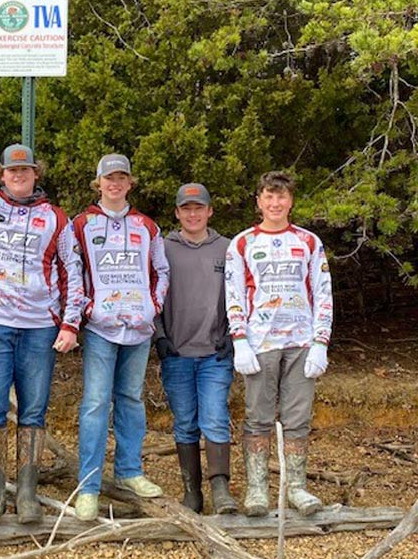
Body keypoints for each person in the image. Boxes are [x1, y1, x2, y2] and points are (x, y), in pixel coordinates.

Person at [0, 143, 85, 525]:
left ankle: (28, 491)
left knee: (34, 409)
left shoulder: (56, 217)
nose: (19, 176)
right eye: (12, 171)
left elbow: (72, 267)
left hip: (39, 325)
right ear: (1, 174)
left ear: (36, 175)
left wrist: (70, 322)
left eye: (26, 171)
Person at [225, 171, 333, 517]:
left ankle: (296, 487)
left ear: (291, 201)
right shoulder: (242, 244)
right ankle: (257, 489)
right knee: (257, 418)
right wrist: (239, 340)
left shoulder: (309, 242)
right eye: (269, 197)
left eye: (282, 197)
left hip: (302, 342)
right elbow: (233, 296)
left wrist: (321, 342)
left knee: (297, 419)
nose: (275, 203)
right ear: (258, 201)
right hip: (260, 343)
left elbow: (323, 294)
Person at [71, 154, 170, 521]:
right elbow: (71, 272)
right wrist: (87, 310)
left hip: (138, 329)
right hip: (100, 328)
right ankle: (89, 486)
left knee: (130, 398)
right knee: (96, 403)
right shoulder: (81, 224)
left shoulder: (147, 226)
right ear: (98, 183)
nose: (115, 184)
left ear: (130, 183)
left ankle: (129, 471)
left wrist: (152, 308)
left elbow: (161, 271)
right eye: (108, 178)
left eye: (121, 178)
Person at [153, 184, 238, 515]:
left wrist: (233, 334)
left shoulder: (228, 249)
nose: (193, 214)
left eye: (198, 208)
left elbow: (239, 296)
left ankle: (221, 491)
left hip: (215, 354)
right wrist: (159, 336)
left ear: (209, 211)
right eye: (186, 208)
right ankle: (192, 491)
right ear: (177, 213)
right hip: (177, 353)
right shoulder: (162, 249)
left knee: (215, 418)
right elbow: (150, 292)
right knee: (185, 422)